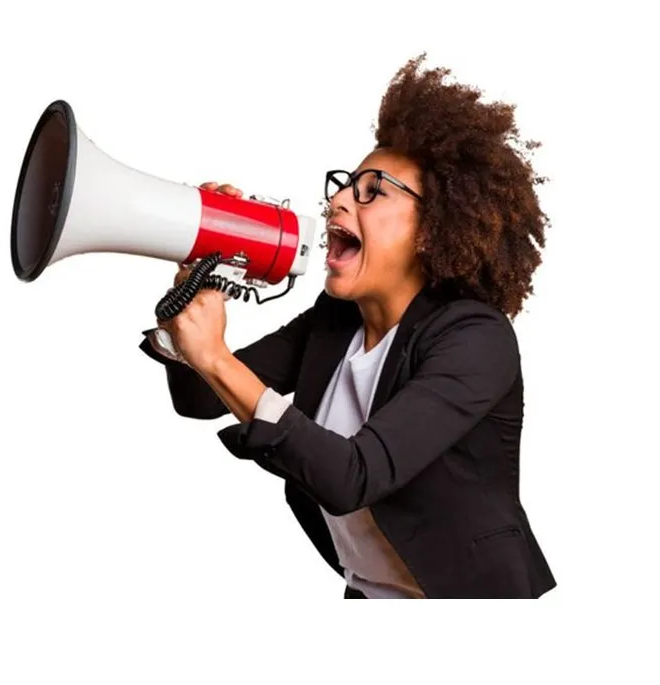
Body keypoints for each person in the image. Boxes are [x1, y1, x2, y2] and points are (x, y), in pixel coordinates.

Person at [137, 54, 556, 598]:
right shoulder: (336, 322)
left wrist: (215, 355)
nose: (337, 200)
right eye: (344, 185)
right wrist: (193, 289)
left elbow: (353, 475)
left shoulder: (476, 338)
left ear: (432, 230)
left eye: (372, 190)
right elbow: (199, 394)